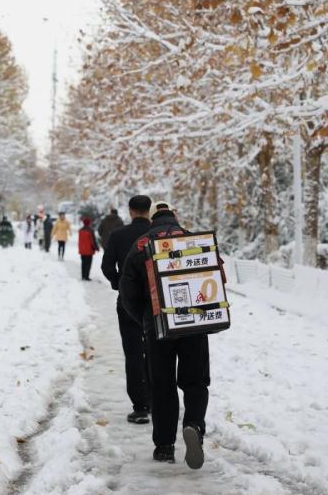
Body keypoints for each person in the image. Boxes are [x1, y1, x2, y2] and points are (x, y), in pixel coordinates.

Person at [120, 201, 210, 470]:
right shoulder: (191, 240)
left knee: (161, 386)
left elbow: (128, 295)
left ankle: (164, 446)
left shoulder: (140, 246)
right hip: (194, 323)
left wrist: (147, 319)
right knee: (195, 382)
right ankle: (194, 424)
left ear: (152, 220)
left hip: (158, 327)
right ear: (175, 217)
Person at [101, 194, 152, 424]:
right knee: (155, 352)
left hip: (128, 302)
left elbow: (106, 266)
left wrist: (120, 284)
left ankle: (140, 406)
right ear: (148, 211)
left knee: (132, 353)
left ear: (130, 211)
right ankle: (157, 399)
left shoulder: (118, 235)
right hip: (156, 302)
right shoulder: (158, 235)